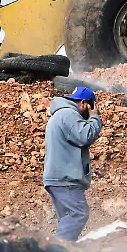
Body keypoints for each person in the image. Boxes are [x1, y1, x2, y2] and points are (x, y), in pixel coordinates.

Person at [42, 86, 103, 242]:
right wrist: (94, 117)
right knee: (78, 214)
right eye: (91, 106)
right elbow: (85, 135)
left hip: (58, 178)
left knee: (68, 218)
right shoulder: (69, 114)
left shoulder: (60, 114)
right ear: (84, 103)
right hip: (66, 178)